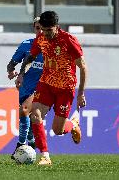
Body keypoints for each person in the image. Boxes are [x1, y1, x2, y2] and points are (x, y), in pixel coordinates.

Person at [18, 11, 87, 165]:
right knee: (34, 114)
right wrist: (22, 73)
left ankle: (73, 124)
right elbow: (31, 56)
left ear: (57, 27)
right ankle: (45, 156)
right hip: (46, 83)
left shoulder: (68, 40)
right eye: (43, 29)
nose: (46, 34)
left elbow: (82, 67)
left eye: (49, 30)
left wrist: (81, 93)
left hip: (65, 88)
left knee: (58, 130)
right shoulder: (41, 38)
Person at [7, 17, 43, 159]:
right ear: (34, 29)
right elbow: (11, 64)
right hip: (25, 86)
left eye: (42, 28)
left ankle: (20, 145)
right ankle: (32, 143)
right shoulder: (26, 45)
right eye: (37, 28)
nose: (40, 31)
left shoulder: (52, 48)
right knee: (25, 115)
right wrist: (11, 71)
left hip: (42, 87)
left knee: (25, 111)